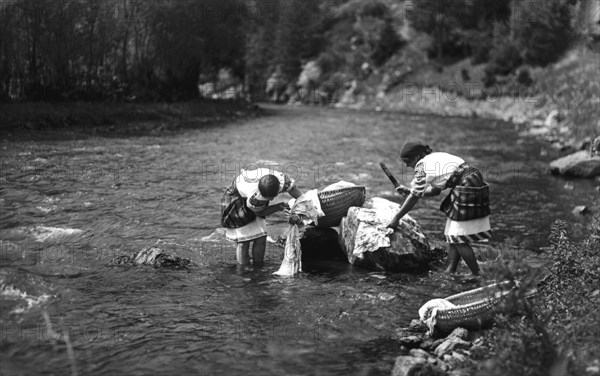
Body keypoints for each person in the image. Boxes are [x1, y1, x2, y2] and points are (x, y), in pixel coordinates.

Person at [387, 141, 491, 276]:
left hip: (465, 185)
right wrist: (410, 190)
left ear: (418, 156)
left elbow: (414, 197)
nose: (407, 165)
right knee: (452, 233)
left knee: (458, 238)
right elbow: (434, 191)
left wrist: (396, 218)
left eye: (408, 160)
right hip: (473, 179)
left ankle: (478, 275)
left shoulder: (421, 166)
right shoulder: (436, 158)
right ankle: (450, 270)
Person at [223, 167, 303, 266]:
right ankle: (243, 271)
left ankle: (258, 266)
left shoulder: (282, 181)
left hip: (255, 195)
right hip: (237, 199)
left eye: (273, 197)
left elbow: (297, 193)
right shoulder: (254, 197)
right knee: (243, 241)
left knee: (260, 237)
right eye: (269, 199)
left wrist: (303, 206)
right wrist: (278, 206)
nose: (273, 198)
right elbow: (260, 213)